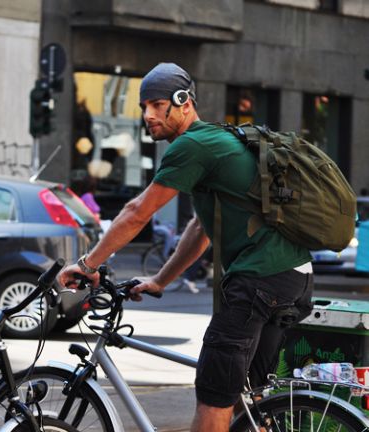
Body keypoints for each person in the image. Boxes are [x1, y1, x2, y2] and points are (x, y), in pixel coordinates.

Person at [58, 62, 313, 431]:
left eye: (156, 105)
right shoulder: (215, 141)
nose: (147, 115)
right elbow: (201, 230)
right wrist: (161, 280)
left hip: (260, 281)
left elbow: (135, 213)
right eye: (143, 106)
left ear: (183, 102)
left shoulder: (191, 144)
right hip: (293, 277)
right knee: (247, 398)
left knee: (213, 395)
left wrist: (87, 264)